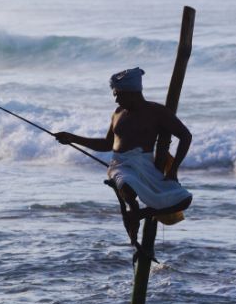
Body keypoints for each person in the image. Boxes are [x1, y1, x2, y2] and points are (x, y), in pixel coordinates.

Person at [54, 67, 192, 245]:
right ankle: (134, 238)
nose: (116, 99)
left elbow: (185, 136)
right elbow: (106, 144)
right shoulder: (118, 114)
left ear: (132, 93)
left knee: (184, 199)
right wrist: (72, 138)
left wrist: (173, 171)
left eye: (118, 94)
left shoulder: (157, 112)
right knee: (127, 185)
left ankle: (141, 215)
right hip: (120, 166)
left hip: (145, 165)